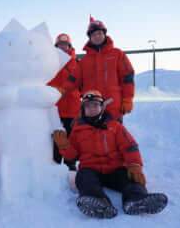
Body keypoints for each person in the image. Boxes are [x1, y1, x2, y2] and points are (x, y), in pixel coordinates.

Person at [53, 90, 168, 218]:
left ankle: (136, 200)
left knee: (132, 178)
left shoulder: (115, 126)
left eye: (95, 105)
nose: (92, 109)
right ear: (83, 109)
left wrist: (135, 165)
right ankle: (97, 202)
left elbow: (129, 146)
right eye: (88, 106)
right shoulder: (77, 129)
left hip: (116, 169)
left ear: (102, 107)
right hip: (91, 170)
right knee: (83, 177)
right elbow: (72, 155)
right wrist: (64, 146)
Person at [64, 16, 135, 123]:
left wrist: (128, 98)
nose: (97, 36)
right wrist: (59, 91)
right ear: (90, 38)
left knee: (113, 138)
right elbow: (73, 80)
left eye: (99, 33)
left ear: (104, 34)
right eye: (93, 34)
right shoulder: (84, 61)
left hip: (113, 108)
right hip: (91, 109)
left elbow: (127, 77)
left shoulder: (117, 54)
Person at [49, 33, 81, 169]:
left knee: (72, 139)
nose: (63, 47)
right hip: (56, 109)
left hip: (73, 109)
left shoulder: (77, 63)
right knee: (56, 138)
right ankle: (55, 165)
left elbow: (80, 83)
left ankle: (71, 166)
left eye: (65, 45)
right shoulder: (50, 64)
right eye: (60, 45)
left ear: (69, 46)